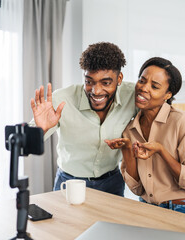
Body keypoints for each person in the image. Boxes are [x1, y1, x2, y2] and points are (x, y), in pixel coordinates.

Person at [105, 57, 185, 219]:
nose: (144, 88)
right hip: (148, 210)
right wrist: (126, 150)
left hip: (184, 211)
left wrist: (161, 150)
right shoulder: (130, 129)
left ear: (167, 94)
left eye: (154, 86)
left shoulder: (181, 121)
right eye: (142, 81)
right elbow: (137, 189)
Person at [30, 42, 137, 196]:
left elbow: (158, 113)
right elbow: (26, 144)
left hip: (112, 182)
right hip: (70, 182)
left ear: (119, 78)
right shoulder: (61, 99)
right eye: (89, 82)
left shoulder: (132, 95)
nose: (96, 91)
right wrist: (41, 129)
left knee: (112, 222)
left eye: (105, 83)